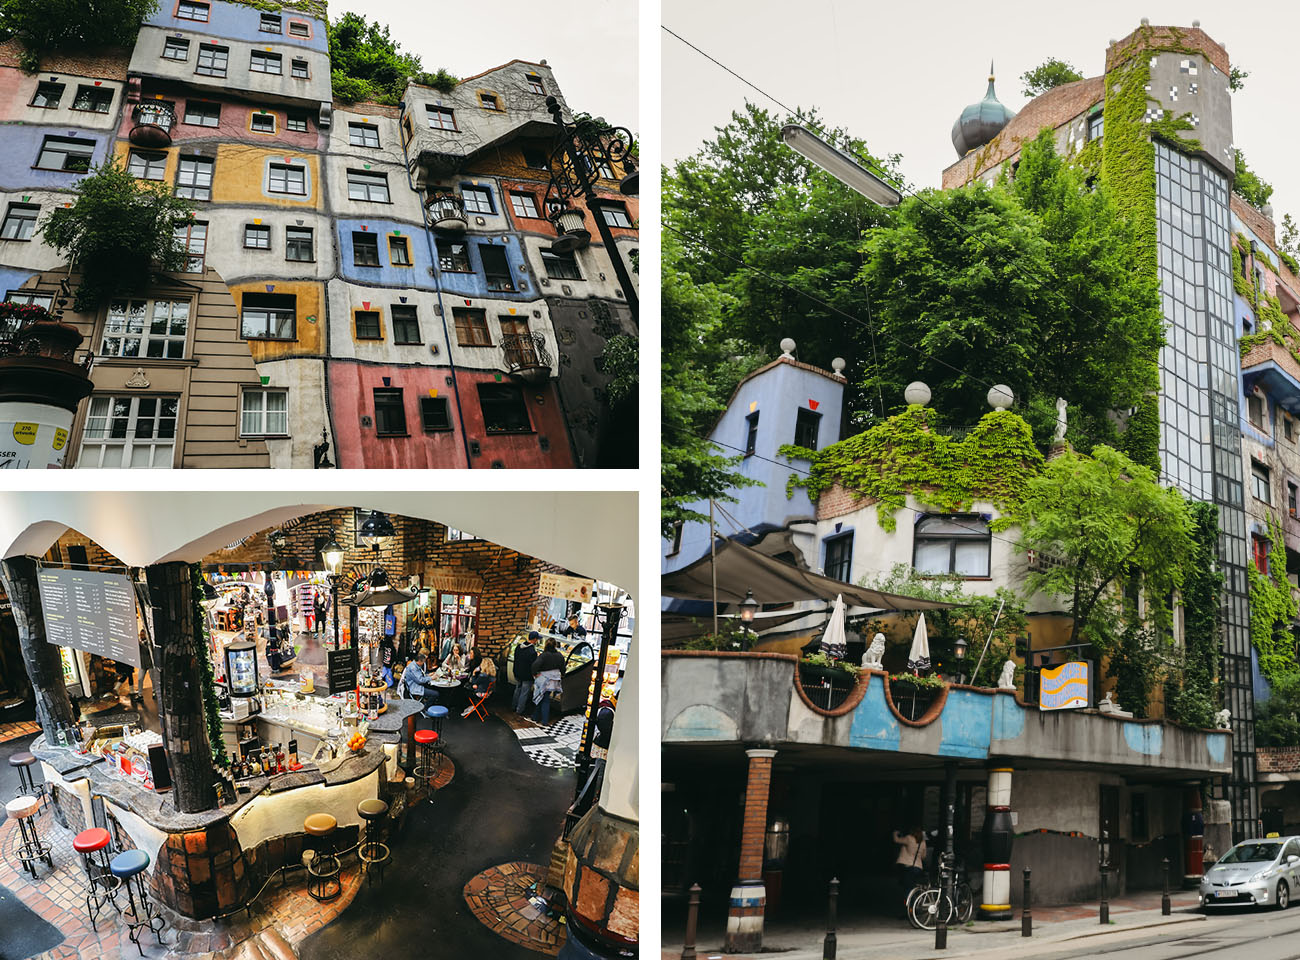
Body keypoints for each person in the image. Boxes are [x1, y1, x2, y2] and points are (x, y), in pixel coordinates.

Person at [530, 638, 565, 725]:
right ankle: (535, 716)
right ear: (555, 645)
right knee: (543, 697)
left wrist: (534, 674)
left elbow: (535, 665)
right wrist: (562, 674)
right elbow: (563, 668)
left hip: (544, 679)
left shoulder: (544, 655)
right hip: (554, 681)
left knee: (543, 698)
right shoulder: (559, 655)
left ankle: (544, 720)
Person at [893, 825, 927, 891]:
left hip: (908, 867)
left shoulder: (909, 838)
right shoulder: (923, 842)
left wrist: (895, 833)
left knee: (907, 888)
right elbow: (923, 856)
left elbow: (896, 840)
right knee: (911, 885)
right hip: (918, 868)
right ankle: (913, 899)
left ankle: (910, 900)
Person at [512, 632, 539, 714]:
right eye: (537, 639)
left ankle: (514, 706)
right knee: (524, 692)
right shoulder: (532, 652)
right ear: (534, 640)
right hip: (527, 675)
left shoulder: (518, 647)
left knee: (517, 689)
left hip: (517, 672)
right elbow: (534, 665)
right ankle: (520, 710)